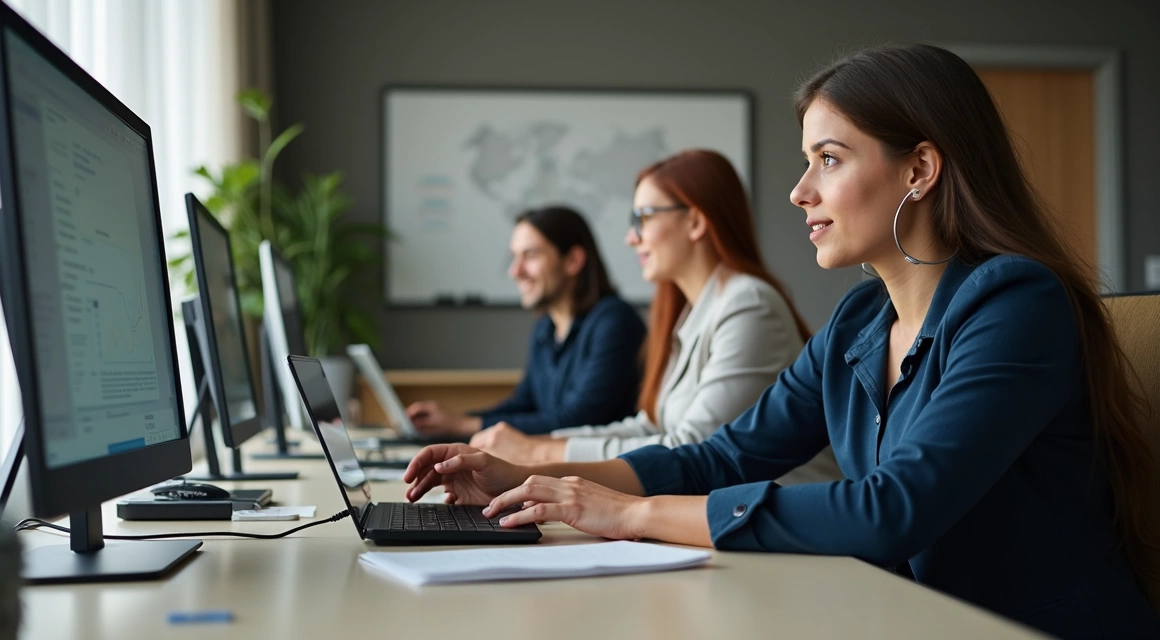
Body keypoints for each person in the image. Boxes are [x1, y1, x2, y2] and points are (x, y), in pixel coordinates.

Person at [404, 44, 1160, 638]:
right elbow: (724, 455)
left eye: (828, 160)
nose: (800, 191)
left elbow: (893, 509)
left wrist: (627, 514)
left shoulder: (1015, 303)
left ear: (921, 170)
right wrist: (528, 484)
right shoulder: (860, 321)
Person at [471, 150, 838, 485]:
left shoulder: (749, 305)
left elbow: (692, 447)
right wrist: (534, 444)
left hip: (787, 530)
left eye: (642, 218)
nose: (632, 238)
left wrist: (536, 453)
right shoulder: (694, 311)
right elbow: (651, 425)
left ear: (695, 222)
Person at [406, 206, 646, 437]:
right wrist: (451, 421)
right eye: (514, 257)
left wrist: (465, 425)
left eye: (530, 256)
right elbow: (524, 404)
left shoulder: (615, 321)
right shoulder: (546, 327)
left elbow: (578, 418)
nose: (515, 271)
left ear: (573, 260)